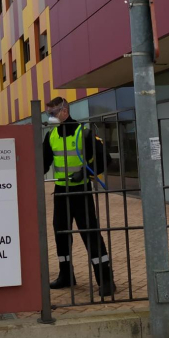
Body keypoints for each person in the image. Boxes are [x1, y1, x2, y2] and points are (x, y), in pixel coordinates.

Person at [42, 96, 116, 297]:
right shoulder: (51, 136)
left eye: (53, 113)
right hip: (61, 192)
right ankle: (66, 276)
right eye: (48, 114)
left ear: (64, 111)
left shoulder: (83, 133)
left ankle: (106, 280)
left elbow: (104, 160)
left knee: (90, 234)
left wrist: (85, 173)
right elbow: (43, 163)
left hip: (81, 191)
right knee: (61, 234)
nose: (51, 117)